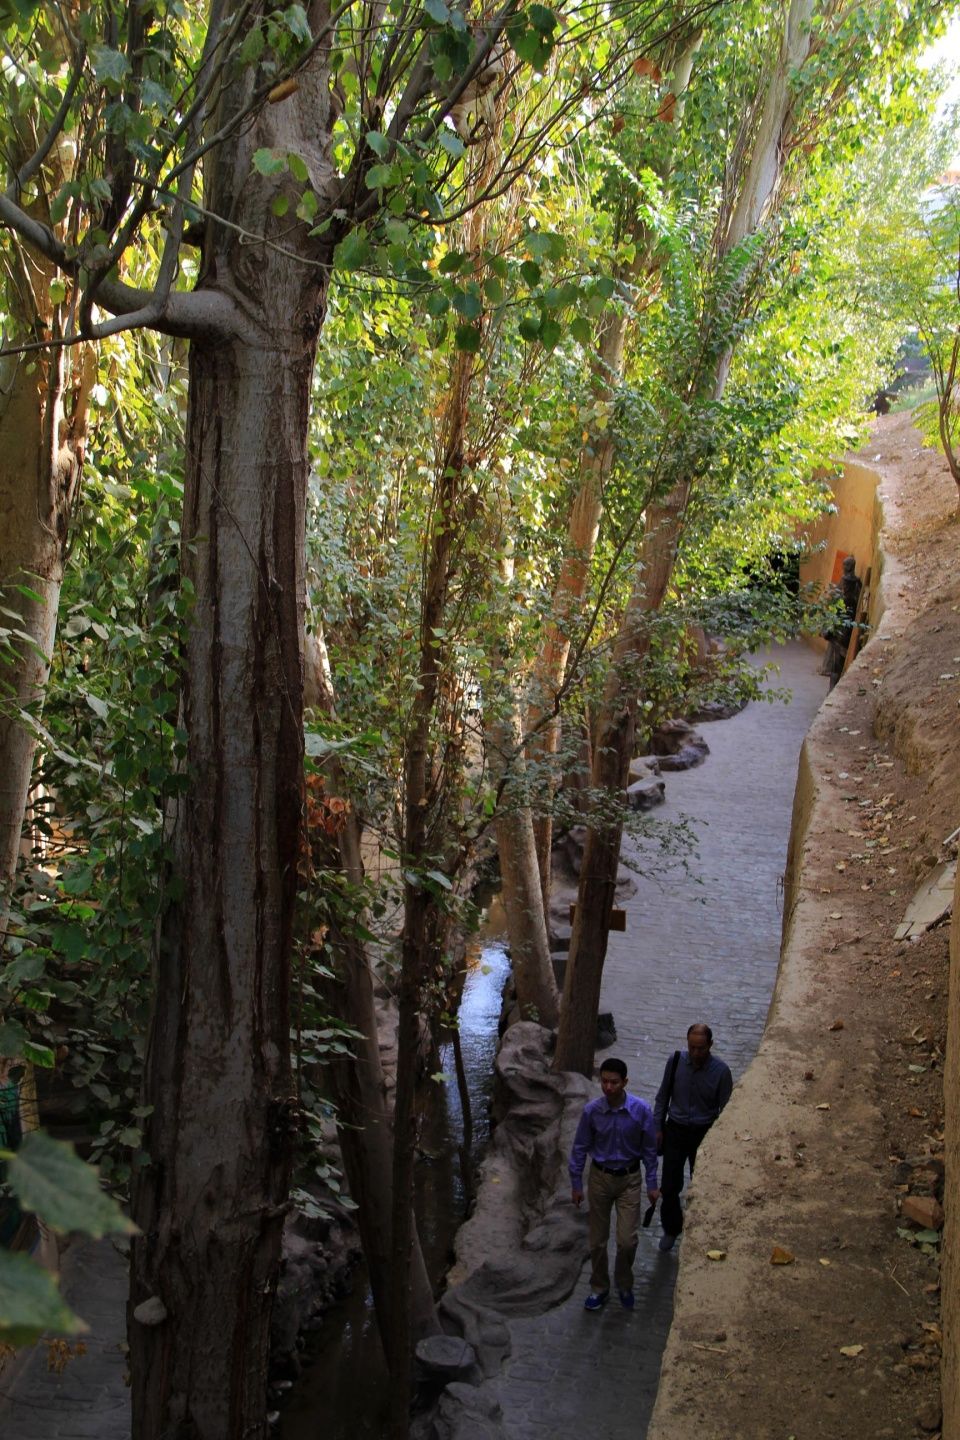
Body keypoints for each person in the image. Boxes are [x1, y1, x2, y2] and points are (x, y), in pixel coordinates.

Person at [568, 1057, 659, 1311]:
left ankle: (624, 1282)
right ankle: (599, 1287)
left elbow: (649, 1150)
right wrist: (576, 1184)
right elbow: (580, 1148)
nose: (608, 1088)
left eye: (614, 1083)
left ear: (625, 1082)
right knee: (597, 1240)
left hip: (629, 1179)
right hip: (600, 1179)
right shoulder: (592, 1112)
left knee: (627, 1241)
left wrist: (652, 1183)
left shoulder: (641, 1110)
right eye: (604, 1082)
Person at [654, 1024, 732, 1252]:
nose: (696, 1053)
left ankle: (701, 1230)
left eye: (701, 1048)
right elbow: (662, 1097)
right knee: (669, 1185)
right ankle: (671, 1228)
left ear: (710, 1045)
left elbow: (726, 1110)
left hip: (703, 1133)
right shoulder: (676, 1061)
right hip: (676, 1130)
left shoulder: (721, 1072)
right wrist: (657, 1127)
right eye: (692, 1047)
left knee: (703, 1185)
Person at [820, 555, 862, 690]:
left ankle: (832, 689)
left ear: (849, 567)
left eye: (845, 565)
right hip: (848, 627)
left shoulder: (845, 582)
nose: (843, 568)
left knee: (836, 665)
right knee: (838, 662)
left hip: (842, 628)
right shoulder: (857, 583)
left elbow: (838, 602)